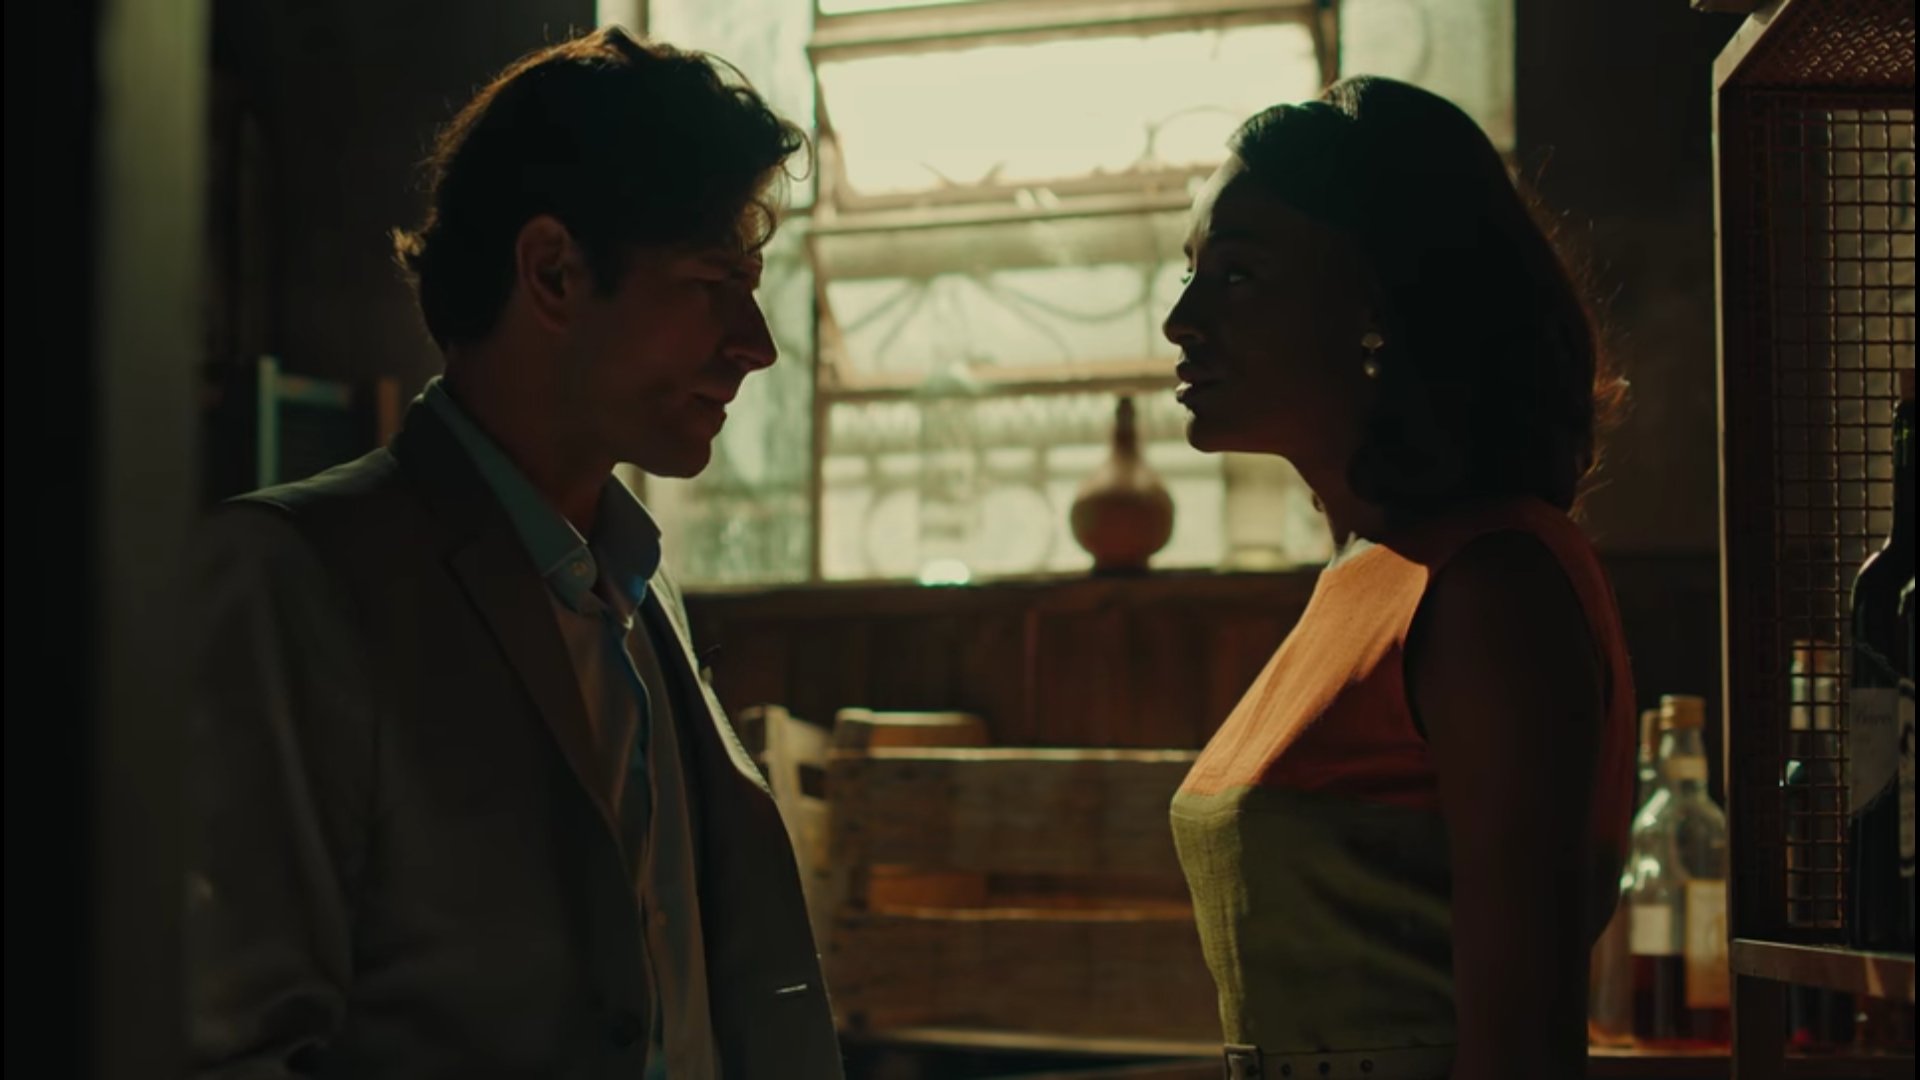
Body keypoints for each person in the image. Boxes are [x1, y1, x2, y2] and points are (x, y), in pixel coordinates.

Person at [187, 27, 843, 1079]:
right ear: (553, 273)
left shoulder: (638, 594)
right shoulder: (293, 580)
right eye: (714, 282)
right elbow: (228, 1046)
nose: (756, 344)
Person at [1163, 76, 1635, 1080]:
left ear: (1380, 303)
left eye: (1237, 275)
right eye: (1189, 270)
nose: (1181, 319)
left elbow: (1523, 1051)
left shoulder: (1490, 587)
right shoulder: (1360, 578)